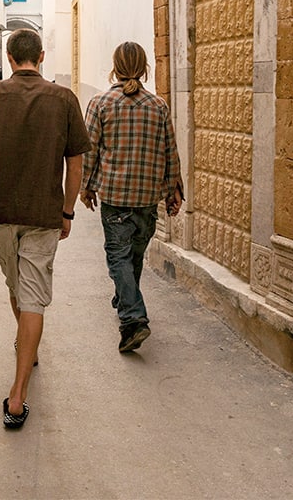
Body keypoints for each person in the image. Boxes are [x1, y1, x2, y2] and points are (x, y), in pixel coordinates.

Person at [0, 29, 90, 429]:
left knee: (18, 287)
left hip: (2, 211)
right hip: (44, 213)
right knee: (31, 293)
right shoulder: (64, 99)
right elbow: (76, 164)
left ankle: (20, 377)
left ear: (9, 57)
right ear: (42, 56)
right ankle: (21, 378)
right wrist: (67, 211)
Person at [81, 41, 183, 352]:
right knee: (133, 256)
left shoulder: (100, 103)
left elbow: (89, 151)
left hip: (115, 198)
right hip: (148, 198)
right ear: (145, 68)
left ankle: (133, 320)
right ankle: (125, 299)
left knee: (119, 257)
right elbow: (170, 152)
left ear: (114, 68)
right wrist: (173, 190)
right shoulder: (158, 106)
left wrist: (86, 186)